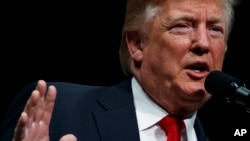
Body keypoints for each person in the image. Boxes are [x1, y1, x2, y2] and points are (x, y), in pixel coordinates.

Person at [0, 0, 239, 140]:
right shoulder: (57, 111)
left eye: (215, 29)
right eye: (182, 26)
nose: (204, 43)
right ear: (137, 44)